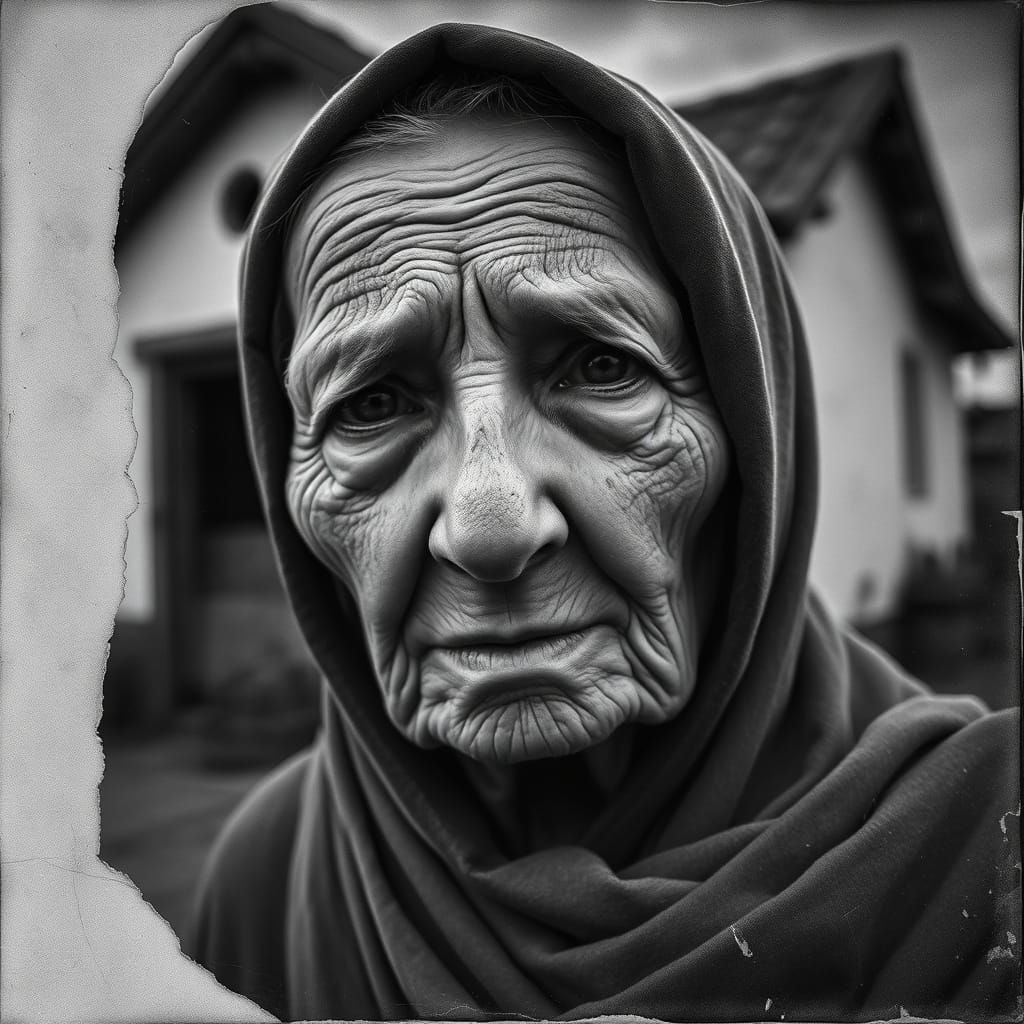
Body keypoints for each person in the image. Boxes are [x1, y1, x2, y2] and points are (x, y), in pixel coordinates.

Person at [189, 23, 1020, 1022]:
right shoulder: (264, 876)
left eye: (600, 366)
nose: (489, 524)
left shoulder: (991, 854)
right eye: (370, 406)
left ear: (757, 437)